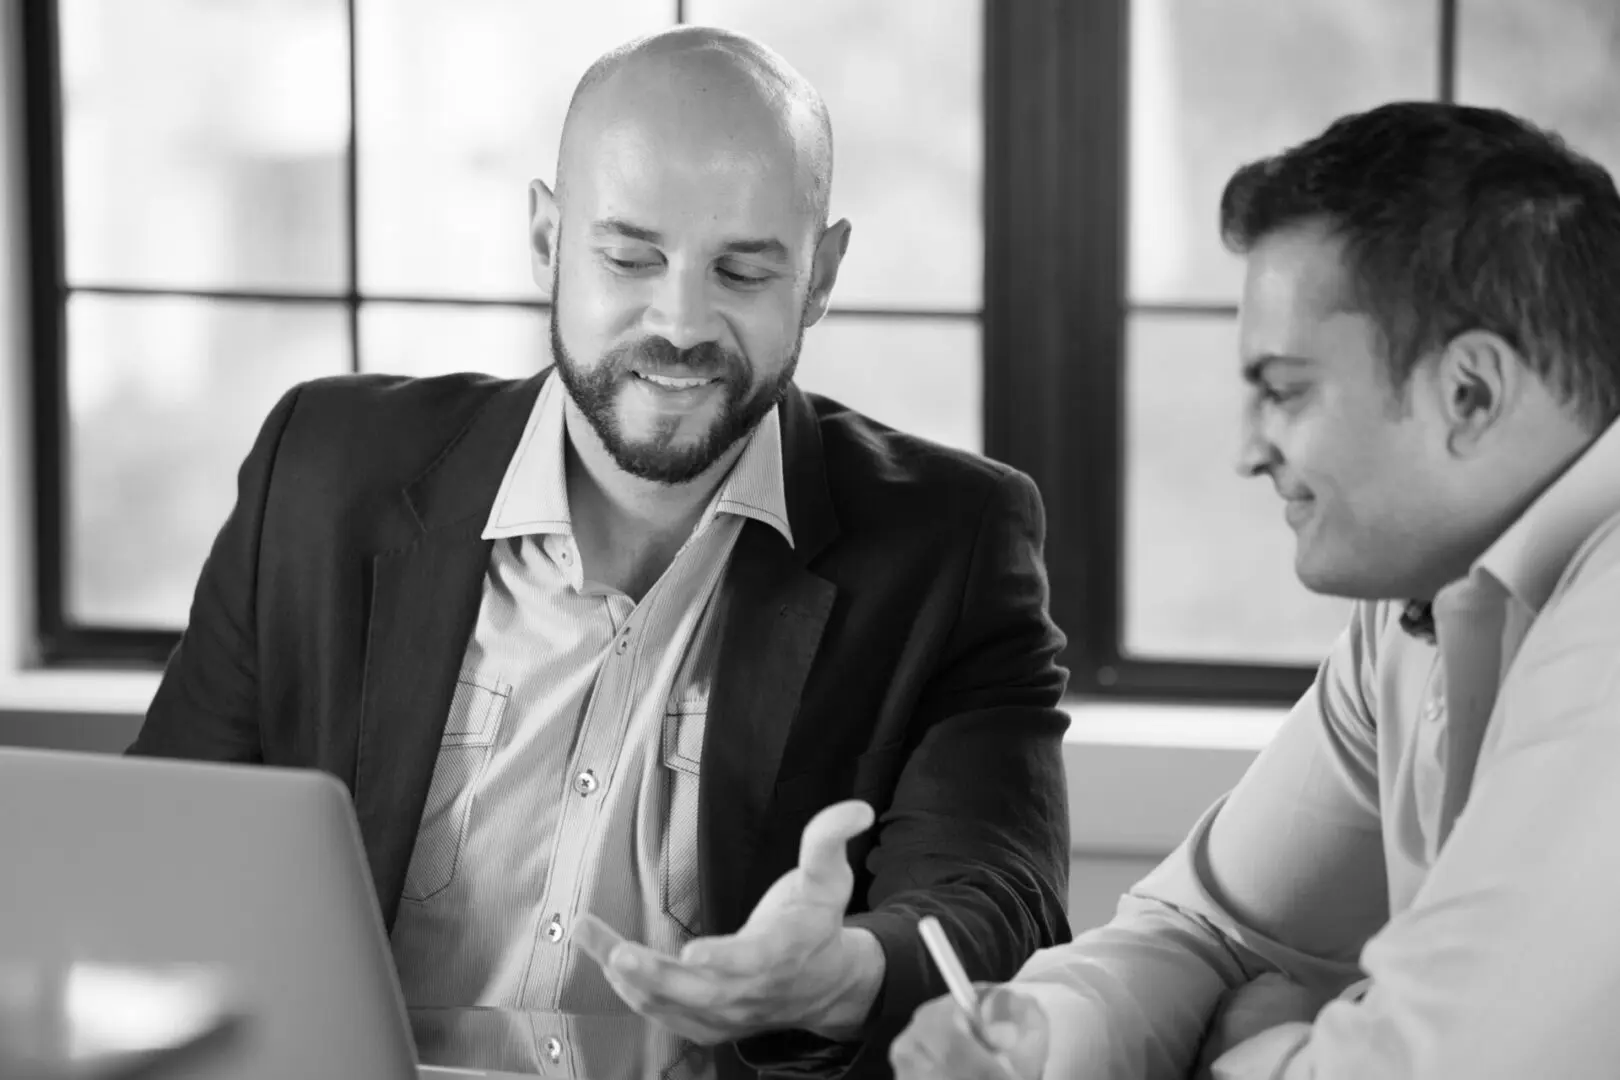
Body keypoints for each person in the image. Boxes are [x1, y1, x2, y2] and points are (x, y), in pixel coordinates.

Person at [128, 24, 1073, 1080]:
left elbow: (1000, 894)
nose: (680, 321)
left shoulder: (951, 541)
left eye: (745, 270)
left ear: (822, 273)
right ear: (545, 239)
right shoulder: (320, 476)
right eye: (629, 257)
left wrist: (844, 971)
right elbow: (160, 852)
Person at [891, 100, 1620, 1079]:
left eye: (1284, 390)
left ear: (1471, 395)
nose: (1246, 451)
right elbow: (1210, 930)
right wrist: (1035, 1042)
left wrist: (1260, 1037)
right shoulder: (1413, 610)